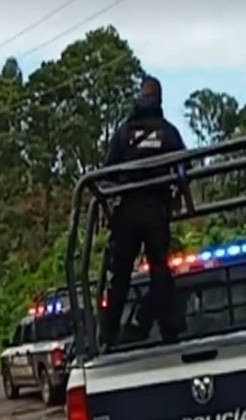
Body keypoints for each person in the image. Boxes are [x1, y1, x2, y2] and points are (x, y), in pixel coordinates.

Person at [100, 75, 187, 348]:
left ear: (140, 96)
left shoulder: (124, 133)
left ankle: (108, 336)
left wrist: (108, 205)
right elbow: (184, 167)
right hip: (155, 211)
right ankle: (170, 333)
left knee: (120, 277)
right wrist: (180, 197)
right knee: (161, 273)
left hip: (128, 211)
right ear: (159, 99)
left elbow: (107, 173)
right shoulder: (168, 132)